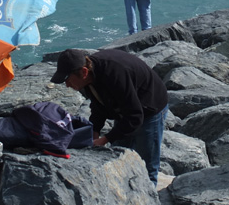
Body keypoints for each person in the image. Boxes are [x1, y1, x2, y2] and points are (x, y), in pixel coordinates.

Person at [50, 48, 168, 186]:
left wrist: (105, 139)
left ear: (84, 72)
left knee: (147, 165)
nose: (67, 85)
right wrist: (95, 132)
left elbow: (135, 116)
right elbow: (98, 105)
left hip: (150, 107)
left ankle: (149, 197)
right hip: (124, 109)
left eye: (68, 80)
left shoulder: (114, 73)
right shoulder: (89, 77)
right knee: (119, 156)